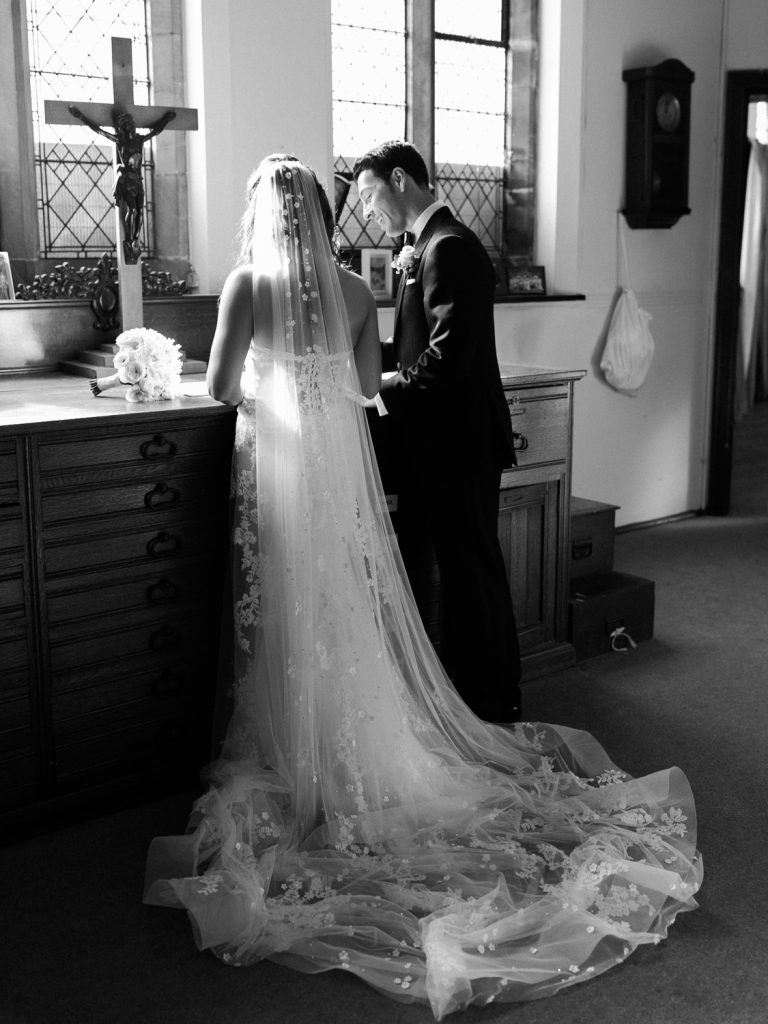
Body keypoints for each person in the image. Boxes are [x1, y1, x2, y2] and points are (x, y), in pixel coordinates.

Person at [144, 155, 701, 1021]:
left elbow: (221, 387)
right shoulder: (357, 290)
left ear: (262, 215)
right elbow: (369, 386)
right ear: (325, 213)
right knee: (340, 608)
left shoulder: (248, 284)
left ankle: (296, 760)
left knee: (287, 609)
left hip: (277, 468)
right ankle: (356, 750)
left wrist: (263, 376)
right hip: (338, 469)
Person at [352, 141, 521, 723]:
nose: (368, 210)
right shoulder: (421, 247)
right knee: (462, 569)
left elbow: (446, 361)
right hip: (440, 445)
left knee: (472, 574)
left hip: (462, 445)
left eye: (370, 194)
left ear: (400, 180)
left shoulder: (448, 248)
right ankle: (472, 696)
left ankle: (490, 702)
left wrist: (378, 388)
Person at [68, 106, 176, 262]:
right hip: (127, 181)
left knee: (140, 211)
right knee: (132, 210)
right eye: (125, 125)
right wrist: (81, 116)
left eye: (129, 124)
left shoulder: (139, 139)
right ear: (121, 128)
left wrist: (167, 119)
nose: (128, 127)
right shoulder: (120, 140)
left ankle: (135, 239)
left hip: (138, 181)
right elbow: (99, 131)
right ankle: (129, 240)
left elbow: (155, 132)